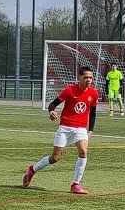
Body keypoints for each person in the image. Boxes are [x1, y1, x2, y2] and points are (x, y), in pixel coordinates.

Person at [22, 66, 99, 194]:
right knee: (55, 158)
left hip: (80, 128)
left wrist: (90, 130)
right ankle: (32, 169)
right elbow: (53, 104)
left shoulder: (93, 93)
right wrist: (51, 111)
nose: (89, 80)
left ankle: (75, 184)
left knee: (83, 152)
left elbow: (93, 112)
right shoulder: (69, 90)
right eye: (86, 77)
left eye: (91, 78)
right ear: (79, 77)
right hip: (65, 128)